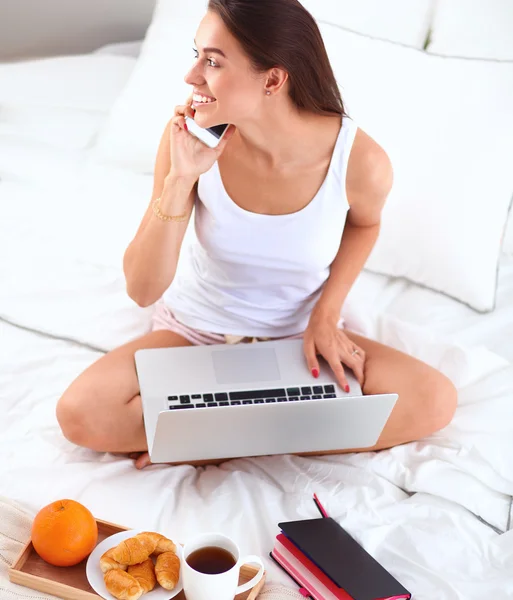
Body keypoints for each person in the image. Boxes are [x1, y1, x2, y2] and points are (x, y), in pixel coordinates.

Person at [56, 0, 457, 470]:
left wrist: (326, 315)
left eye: (212, 61)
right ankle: (253, 429)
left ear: (272, 79)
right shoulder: (190, 138)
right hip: (197, 331)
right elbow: (143, 289)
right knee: (81, 414)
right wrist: (180, 179)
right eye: (196, 55)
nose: (191, 76)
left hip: (298, 339)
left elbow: (364, 223)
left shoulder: (359, 161)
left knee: (434, 400)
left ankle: (211, 438)